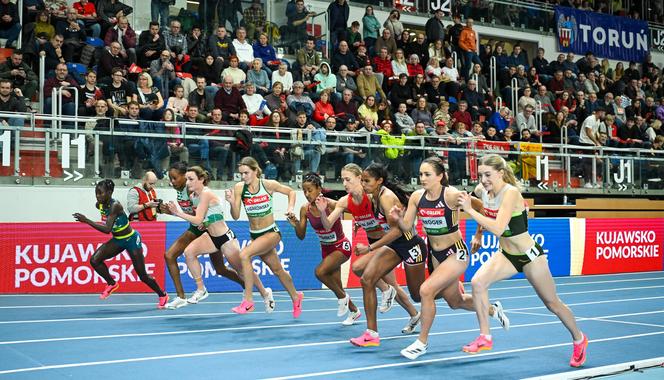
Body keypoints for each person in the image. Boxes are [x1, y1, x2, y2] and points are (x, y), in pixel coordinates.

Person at [458, 154, 588, 367]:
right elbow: (484, 210)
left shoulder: (510, 193)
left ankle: (579, 339)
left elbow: (499, 227)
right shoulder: (482, 191)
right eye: (480, 175)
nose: (483, 180)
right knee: (477, 282)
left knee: (552, 304)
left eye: (488, 175)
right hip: (506, 255)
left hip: (529, 256)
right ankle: (485, 337)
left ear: (500, 173)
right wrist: (479, 233)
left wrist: (470, 211)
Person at [391, 157, 509, 359]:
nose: (422, 178)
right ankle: (491, 309)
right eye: (420, 174)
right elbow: (407, 227)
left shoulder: (452, 195)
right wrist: (398, 219)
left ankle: (422, 342)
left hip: (456, 252)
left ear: (440, 176)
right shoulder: (417, 197)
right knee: (455, 302)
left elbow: (482, 208)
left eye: (427, 174)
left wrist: (479, 234)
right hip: (436, 255)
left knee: (425, 290)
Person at [317, 163, 423, 347]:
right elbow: (335, 218)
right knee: (365, 276)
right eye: (342, 179)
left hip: (405, 242)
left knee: (418, 293)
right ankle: (372, 333)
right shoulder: (360, 198)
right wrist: (322, 210)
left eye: (348, 179)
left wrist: (370, 248)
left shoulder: (382, 196)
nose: (344, 183)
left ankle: (443, 289)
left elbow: (397, 231)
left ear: (362, 179)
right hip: (387, 244)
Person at [167, 166, 275, 308]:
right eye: (186, 179)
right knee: (189, 252)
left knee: (242, 270)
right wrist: (205, 223)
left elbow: (199, 219)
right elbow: (209, 216)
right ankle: (201, 289)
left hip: (225, 238)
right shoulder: (194, 197)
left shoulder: (206, 193)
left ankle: (265, 293)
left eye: (191, 179)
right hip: (211, 237)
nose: (187, 182)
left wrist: (177, 213)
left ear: (202, 180)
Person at [226, 156, 304, 316]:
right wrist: (231, 203)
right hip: (255, 235)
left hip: (271, 232)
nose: (243, 177)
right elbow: (235, 215)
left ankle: (248, 301)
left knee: (244, 255)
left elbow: (291, 192)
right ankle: (296, 297)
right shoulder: (240, 188)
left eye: (246, 173)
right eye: (241, 174)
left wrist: (290, 208)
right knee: (277, 270)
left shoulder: (268, 184)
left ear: (255, 171)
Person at [73, 179, 168, 308]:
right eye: (96, 193)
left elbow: (107, 229)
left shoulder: (115, 205)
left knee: (142, 275)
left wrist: (86, 220)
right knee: (95, 260)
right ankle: (111, 283)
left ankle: (162, 295)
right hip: (118, 240)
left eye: (101, 193)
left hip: (131, 239)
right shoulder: (99, 205)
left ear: (110, 192)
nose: (98, 196)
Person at [287, 173, 361, 324]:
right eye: (304, 190)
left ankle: (343, 298)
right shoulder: (304, 209)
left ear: (319, 189)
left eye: (310, 190)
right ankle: (354, 311)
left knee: (319, 272)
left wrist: (360, 221)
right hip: (326, 249)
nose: (307, 194)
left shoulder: (331, 204)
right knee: (338, 286)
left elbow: (354, 211)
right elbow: (301, 235)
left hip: (341, 246)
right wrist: (294, 223)